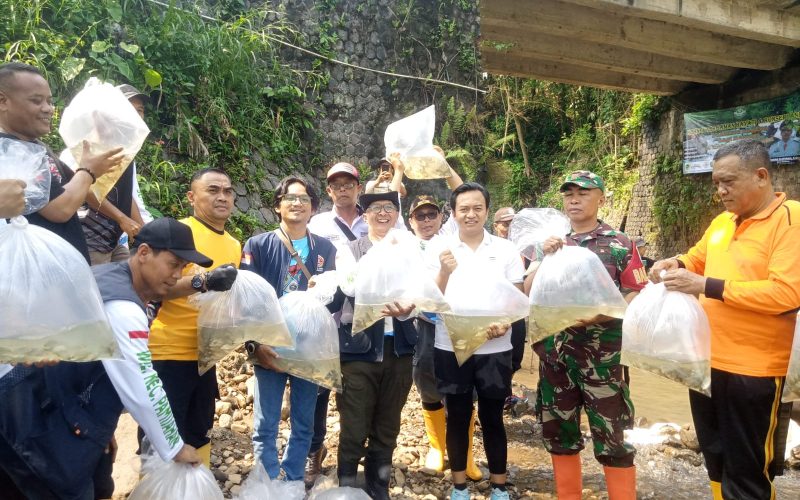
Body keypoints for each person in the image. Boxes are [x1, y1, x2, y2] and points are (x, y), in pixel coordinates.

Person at [0, 217, 206, 499]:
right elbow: (143, 383)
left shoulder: (110, 276)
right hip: (32, 420)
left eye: (183, 267)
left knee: (98, 484)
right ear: (144, 253)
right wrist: (174, 447)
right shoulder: (123, 307)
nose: (177, 274)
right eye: (173, 264)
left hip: (38, 405)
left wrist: (100, 423)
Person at [650, 140, 800, 500]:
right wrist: (675, 264)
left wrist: (705, 285)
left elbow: (786, 295)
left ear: (761, 176)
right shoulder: (722, 223)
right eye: (716, 182)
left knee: (749, 469)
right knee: (714, 457)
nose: (720, 190)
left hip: (757, 371)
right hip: (706, 363)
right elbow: (696, 259)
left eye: (728, 182)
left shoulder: (790, 220)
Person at [525, 170, 645, 500]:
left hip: (603, 360)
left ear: (601, 199)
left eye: (583, 193)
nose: (574, 199)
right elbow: (529, 291)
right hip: (556, 356)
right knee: (559, 433)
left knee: (614, 437)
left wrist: (607, 311)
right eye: (568, 194)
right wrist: (543, 258)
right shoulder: (551, 243)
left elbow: (637, 290)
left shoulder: (619, 244)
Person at [239, 176, 337, 482]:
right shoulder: (257, 245)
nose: (297, 203)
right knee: (266, 421)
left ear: (313, 208)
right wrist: (255, 345)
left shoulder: (324, 248)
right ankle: (267, 478)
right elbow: (245, 299)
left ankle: (293, 478)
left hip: (309, 347)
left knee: (304, 420)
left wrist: (321, 295)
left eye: (304, 199)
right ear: (278, 206)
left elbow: (334, 300)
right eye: (290, 198)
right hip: (269, 345)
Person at [431, 182, 525, 500]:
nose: (470, 214)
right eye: (463, 209)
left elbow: (518, 300)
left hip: (495, 348)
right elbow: (430, 302)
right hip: (450, 345)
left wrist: (505, 323)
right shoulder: (439, 249)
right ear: (454, 213)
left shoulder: (505, 250)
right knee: (456, 415)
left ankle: (499, 487)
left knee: (492, 415)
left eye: (477, 208)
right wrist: (443, 271)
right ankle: (459, 487)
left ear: (486, 210)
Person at [146, 168, 240, 468]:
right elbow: (152, 290)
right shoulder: (177, 233)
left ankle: (194, 489)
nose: (222, 196)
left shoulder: (234, 245)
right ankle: (154, 489)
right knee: (162, 434)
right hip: (169, 352)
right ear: (191, 197)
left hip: (206, 357)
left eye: (227, 191)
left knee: (199, 432)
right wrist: (204, 281)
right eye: (213, 190)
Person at [329, 191, 418, 499]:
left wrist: (411, 307)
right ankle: (347, 488)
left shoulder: (409, 250)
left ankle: (378, 486)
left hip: (401, 348)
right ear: (363, 215)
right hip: (359, 350)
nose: (383, 213)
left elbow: (422, 290)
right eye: (376, 208)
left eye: (389, 207)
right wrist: (380, 253)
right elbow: (349, 285)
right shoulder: (350, 249)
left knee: (388, 423)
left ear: (397, 214)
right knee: (354, 424)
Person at [0, 61, 124, 263]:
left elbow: (66, 191)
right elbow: (60, 209)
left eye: (49, 101)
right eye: (36, 101)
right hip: (40, 272)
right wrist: (88, 171)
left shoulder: (32, 146)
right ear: (3, 101)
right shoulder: (10, 151)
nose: (48, 109)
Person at [407, 194, 482, 480]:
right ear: (411, 220)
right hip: (426, 324)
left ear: (441, 217)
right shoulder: (405, 245)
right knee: (426, 380)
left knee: (466, 386)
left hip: (457, 323)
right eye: (420, 216)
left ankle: (466, 455)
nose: (426, 221)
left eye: (431, 215)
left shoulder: (453, 239)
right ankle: (437, 448)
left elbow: (464, 192)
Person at [60, 84, 150, 265]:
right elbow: (86, 190)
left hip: (114, 239)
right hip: (89, 239)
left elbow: (125, 194)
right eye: (129, 109)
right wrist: (122, 218)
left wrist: (143, 232)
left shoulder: (125, 151)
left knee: (127, 282)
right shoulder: (81, 147)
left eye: (140, 110)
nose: (136, 116)